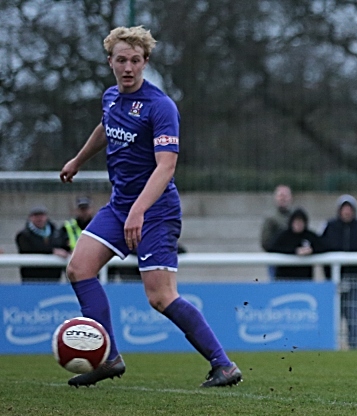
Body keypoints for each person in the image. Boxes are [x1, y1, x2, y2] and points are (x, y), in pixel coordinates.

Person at [58, 26, 241, 388]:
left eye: (135, 61)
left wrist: (140, 210)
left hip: (156, 211)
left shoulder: (160, 106)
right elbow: (105, 127)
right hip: (120, 207)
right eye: (121, 60)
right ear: (110, 61)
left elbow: (166, 166)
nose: (128, 67)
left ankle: (223, 364)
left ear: (146, 63)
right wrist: (78, 160)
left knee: (160, 297)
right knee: (79, 268)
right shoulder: (111, 97)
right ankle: (107, 357)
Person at [320, 194, 357, 350]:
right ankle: (332, 346)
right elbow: (321, 247)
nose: (347, 212)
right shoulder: (329, 226)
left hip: (354, 279)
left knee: (352, 316)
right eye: (344, 209)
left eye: (349, 209)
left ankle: (353, 347)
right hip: (333, 281)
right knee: (333, 315)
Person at [15, 205, 70, 283]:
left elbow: (62, 245)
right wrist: (52, 251)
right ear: (30, 218)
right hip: (32, 279)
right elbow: (30, 249)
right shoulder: (23, 235)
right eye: (36, 216)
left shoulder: (56, 232)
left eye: (41, 215)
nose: (39, 218)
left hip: (54, 279)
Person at [268, 208, 325, 280]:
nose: (298, 225)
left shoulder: (310, 235)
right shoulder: (283, 235)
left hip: (305, 279)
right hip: (284, 278)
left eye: (301, 222)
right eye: (296, 222)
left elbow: (323, 246)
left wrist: (311, 250)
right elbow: (272, 248)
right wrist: (295, 251)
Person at [260, 185, 294, 280]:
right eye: (280, 195)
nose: (283, 198)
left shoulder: (295, 218)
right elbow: (265, 242)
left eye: (285, 195)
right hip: (276, 262)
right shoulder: (271, 219)